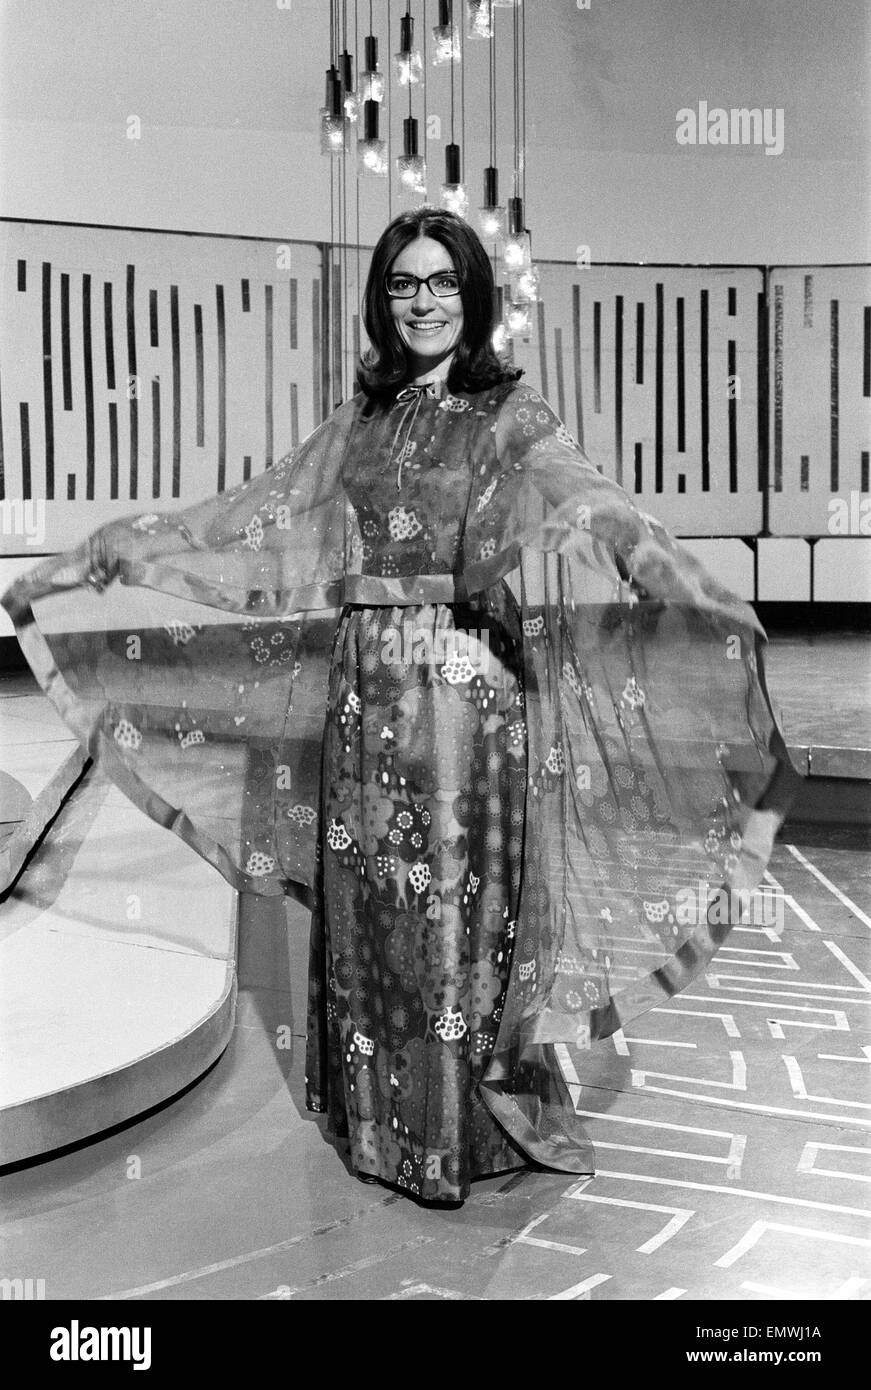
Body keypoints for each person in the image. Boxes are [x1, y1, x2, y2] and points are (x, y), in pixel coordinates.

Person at [2, 208, 801, 1205]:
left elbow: (587, 498)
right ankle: (377, 1127)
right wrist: (115, 548)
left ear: (473, 295)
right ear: (385, 301)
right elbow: (253, 513)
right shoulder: (362, 421)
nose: (422, 300)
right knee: (371, 901)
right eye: (403, 284)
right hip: (367, 687)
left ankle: (451, 1128)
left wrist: (661, 566)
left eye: (440, 282)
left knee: (453, 908)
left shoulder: (511, 415)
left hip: (467, 698)